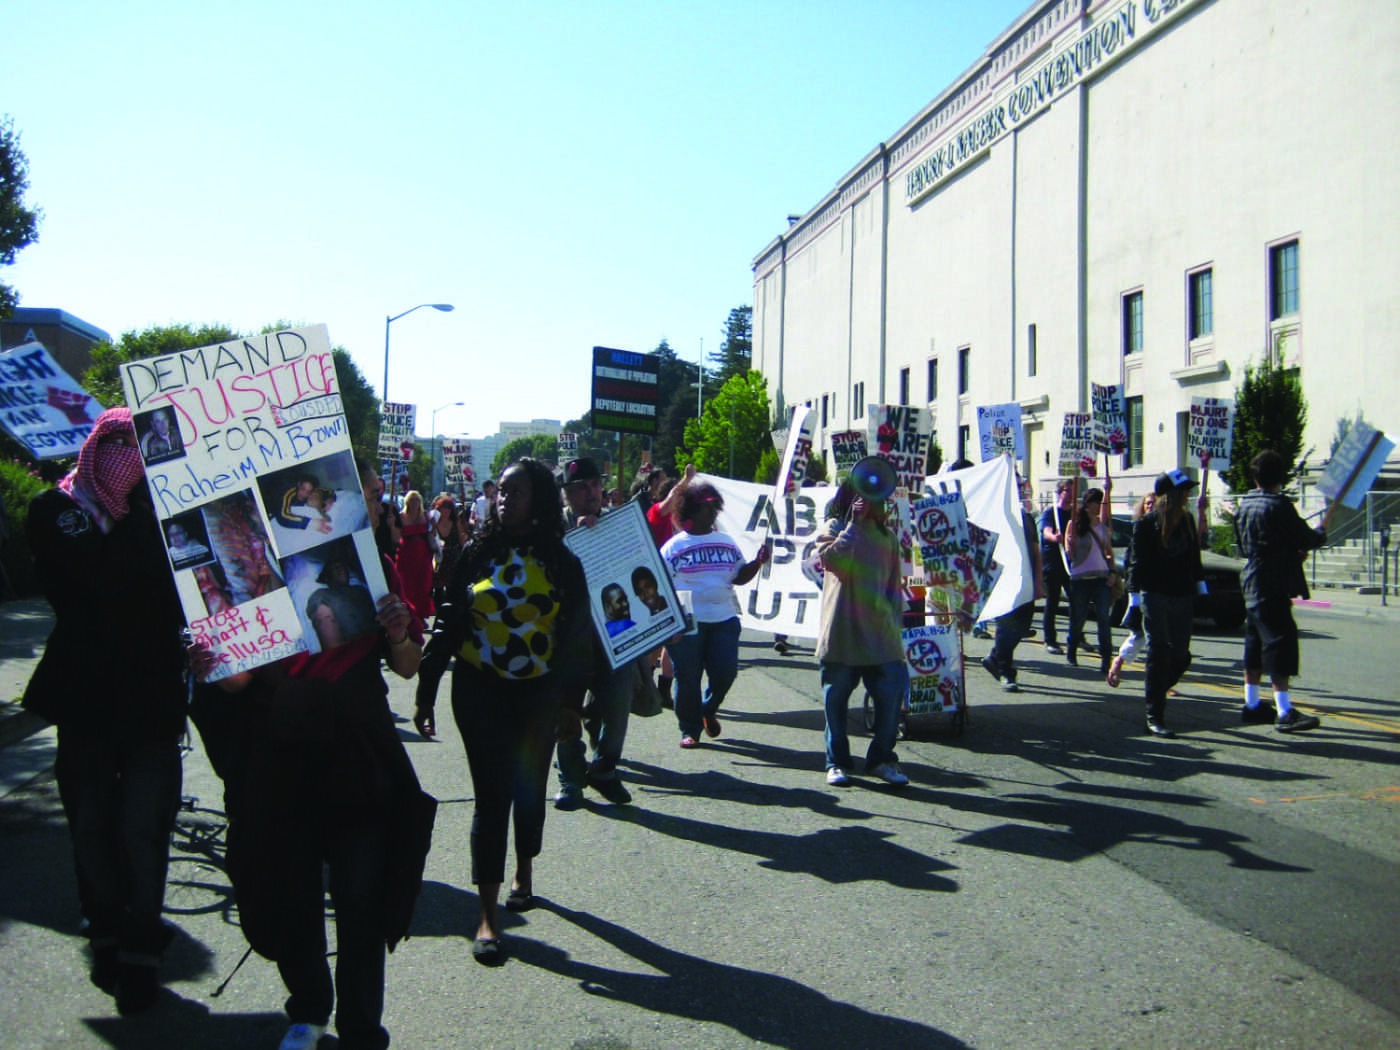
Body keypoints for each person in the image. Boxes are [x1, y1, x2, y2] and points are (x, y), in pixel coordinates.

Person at [189, 457, 431, 1050]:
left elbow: (406, 666)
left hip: (357, 747)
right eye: (370, 494)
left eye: (375, 496)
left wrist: (399, 632)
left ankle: (360, 1027)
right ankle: (309, 1007)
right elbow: (239, 685)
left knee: (360, 898)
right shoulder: (249, 576)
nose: (376, 505)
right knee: (289, 887)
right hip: (283, 751)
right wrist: (211, 664)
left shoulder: (373, 569)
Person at [23, 407, 188, 1013]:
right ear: (97, 449)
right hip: (86, 700)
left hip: (150, 702)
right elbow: (90, 583)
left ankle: (143, 946)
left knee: (144, 828)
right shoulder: (55, 511)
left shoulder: (160, 517)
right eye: (119, 447)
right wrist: (137, 521)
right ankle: (107, 930)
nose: (129, 463)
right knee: (92, 825)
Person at [413, 458, 590, 964]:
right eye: (502, 491)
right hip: (479, 690)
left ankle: (525, 869)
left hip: (539, 694)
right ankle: (488, 916)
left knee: (529, 791)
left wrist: (572, 706)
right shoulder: (476, 551)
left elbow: (579, 636)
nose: (505, 498)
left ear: (539, 498)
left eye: (517, 490)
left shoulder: (561, 560)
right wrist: (426, 689)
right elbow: (448, 619)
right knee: (492, 798)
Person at [553, 456, 639, 810]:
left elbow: (642, 572)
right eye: (580, 488)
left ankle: (603, 769)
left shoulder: (620, 524)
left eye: (595, 485)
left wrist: (666, 622)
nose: (590, 493)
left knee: (618, 704)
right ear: (567, 495)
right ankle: (570, 779)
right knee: (565, 709)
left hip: (615, 634)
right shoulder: (552, 529)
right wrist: (576, 537)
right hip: (568, 639)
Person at [813, 480, 909, 787]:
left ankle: (881, 759)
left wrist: (896, 626)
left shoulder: (888, 536)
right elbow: (831, 561)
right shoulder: (835, 526)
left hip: (881, 634)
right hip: (842, 632)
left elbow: (895, 586)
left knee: (892, 698)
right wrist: (853, 524)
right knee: (835, 700)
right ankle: (837, 761)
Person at [660, 480, 770, 748]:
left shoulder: (726, 541)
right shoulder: (673, 547)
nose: (712, 513)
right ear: (691, 511)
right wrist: (667, 624)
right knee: (687, 677)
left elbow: (739, 576)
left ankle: (708, 709)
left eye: (715, 508)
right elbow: (660, 587)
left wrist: (758, 562)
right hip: (688, 624)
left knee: (725, 672)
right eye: (706, 508)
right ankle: (690, 729)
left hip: (724, 619)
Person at [1235, 450, 1326, 733]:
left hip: (1251, 579)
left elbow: (1248, 544)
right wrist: (1319, 533)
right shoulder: (1279, 505)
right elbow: (1306, 537)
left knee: (1255, 644)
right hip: (1271, 582)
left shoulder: (1244, 504)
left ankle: (1252, 705)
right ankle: (1284, 710)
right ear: (1280, 477)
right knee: (1279, 643)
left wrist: (1287, 552)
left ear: (1255, 477)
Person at [1107, 490, 1209, 689]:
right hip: (1146, 593)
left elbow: (1194, 544)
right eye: (1147, 504)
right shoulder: (1141, 531)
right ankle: (1119, 662)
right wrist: (1134, 597)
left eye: (1154, 502)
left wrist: (1200, 510)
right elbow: (1133, 567)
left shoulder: (1176, 528)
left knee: (1168, 643)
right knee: (1140, 637)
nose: (1151, 506)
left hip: (1171, 594)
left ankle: (1164, 683)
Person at [1130, 469, 1205, 737]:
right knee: (1158, 652)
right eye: (1184, 489)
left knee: (1181, 655)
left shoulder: (1186, 521)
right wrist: (1133, 600)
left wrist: (1202, 589)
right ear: (1172, 494)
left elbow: (1195, 559)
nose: (1188, 494)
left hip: (1182, 594)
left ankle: (1157, 689)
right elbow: (1137, 564)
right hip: (1155, 594)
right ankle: (1154, 713)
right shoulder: (1146, 524)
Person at [980, 488, 1043, 693]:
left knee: (1022, 626)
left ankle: (994, 657)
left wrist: (1038, 581)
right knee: (1006, 626)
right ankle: (1006, 672)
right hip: (1004, 581)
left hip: (1026, 581)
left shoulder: (1026, 519)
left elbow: (1036, 551)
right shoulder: (996, 518)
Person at [1064, 476, 1115, 673]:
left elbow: (1109, 552)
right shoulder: (1074, 525)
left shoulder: (1103, 527)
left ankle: (1106, 658)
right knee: (1078, 618)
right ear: (1086, 504)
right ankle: (1071, 650)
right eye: (1093, 502)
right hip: (1080, 579)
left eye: (1099, 503)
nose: (1096, 507)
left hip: (1101, 578)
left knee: (1103, 618)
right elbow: (1071, 554)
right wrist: (1071, 542)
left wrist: (1111, 572)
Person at [1039, 480, 1075, 654]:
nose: (1069, 494)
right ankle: (1050, 640)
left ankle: (1077, 637)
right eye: (1067, 491)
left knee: (1076, 602)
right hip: (1053, 562)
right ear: (1060, 492)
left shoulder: (1076, 515)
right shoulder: (1051, 512)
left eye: (1072, 491)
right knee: (1052, 601)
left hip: (1072, 564)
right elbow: (1046, 532)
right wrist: (1055, 537)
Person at [394, 490, 435, 624]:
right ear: (407, 502)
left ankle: (421, 615)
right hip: (407, 552)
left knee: (423, 584)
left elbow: (432, 533)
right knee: (407, 584)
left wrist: (434, 525)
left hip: (423, 552)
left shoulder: (425, 515)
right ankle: (410, 613)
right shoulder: (401, 516)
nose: (414, 503)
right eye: (412, 500)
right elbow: (396, 535)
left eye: (417, 500)